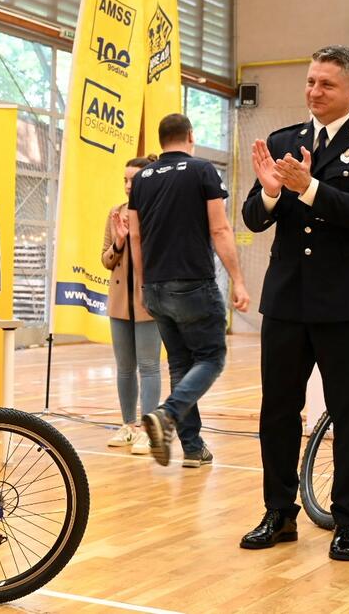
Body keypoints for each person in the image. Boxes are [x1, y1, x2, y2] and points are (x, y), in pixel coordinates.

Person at [240, 45, 349, 561]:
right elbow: (253, 217)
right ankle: (278, 512)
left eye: (326, 85)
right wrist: (268, 193)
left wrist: (308, 187)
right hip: (288, 298)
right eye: (310, 82)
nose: (314, 92)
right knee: (279, 411)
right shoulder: (286, 141)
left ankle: (348, 520)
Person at [129, 113, 250, 469]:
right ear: (190, 136)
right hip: (192, 283)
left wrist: (142, 287)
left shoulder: (142, 179)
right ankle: (167, 415)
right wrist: (238, 280)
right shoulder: (202, 171)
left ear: (161, 138)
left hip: (155, 286)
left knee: (181, 364)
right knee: (211, 358)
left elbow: (136, 236)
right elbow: (221, 229)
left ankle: (193, 448)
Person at [102, 155, 161, 455]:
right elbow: (106, 259)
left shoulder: (159, 212)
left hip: (148, 302)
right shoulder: (116, 213)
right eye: (125, 180)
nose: (128, 186)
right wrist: (119, 242)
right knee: (125, 367)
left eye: (134, 180)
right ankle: (128, 425)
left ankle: (150, 431)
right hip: (119, 303)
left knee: (149, 366)